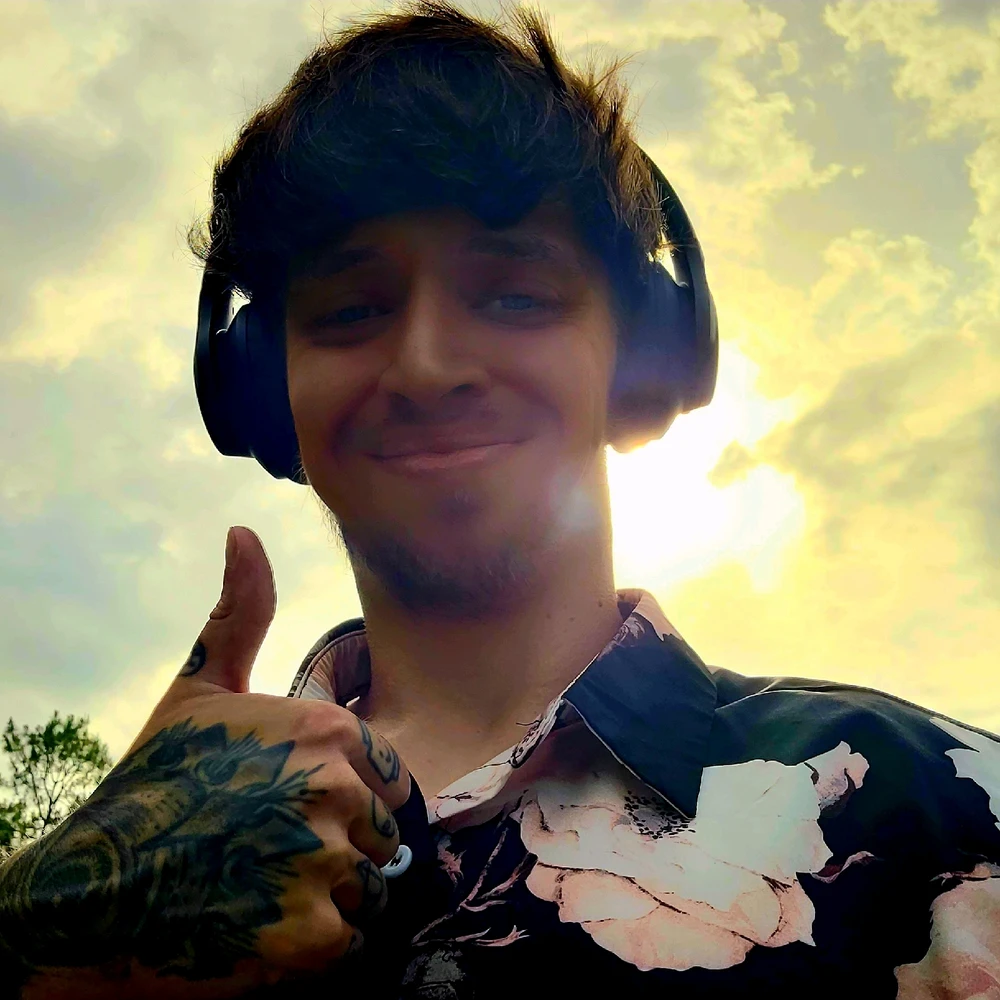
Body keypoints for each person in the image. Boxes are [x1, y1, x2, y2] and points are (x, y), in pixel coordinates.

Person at [1, 2, 998, 997]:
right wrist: (54, 938)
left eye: (516, 295)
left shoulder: (943, 811)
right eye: (351, 309)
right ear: (261, 388)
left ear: (642, 359)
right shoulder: (119, 875)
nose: (427, 366)